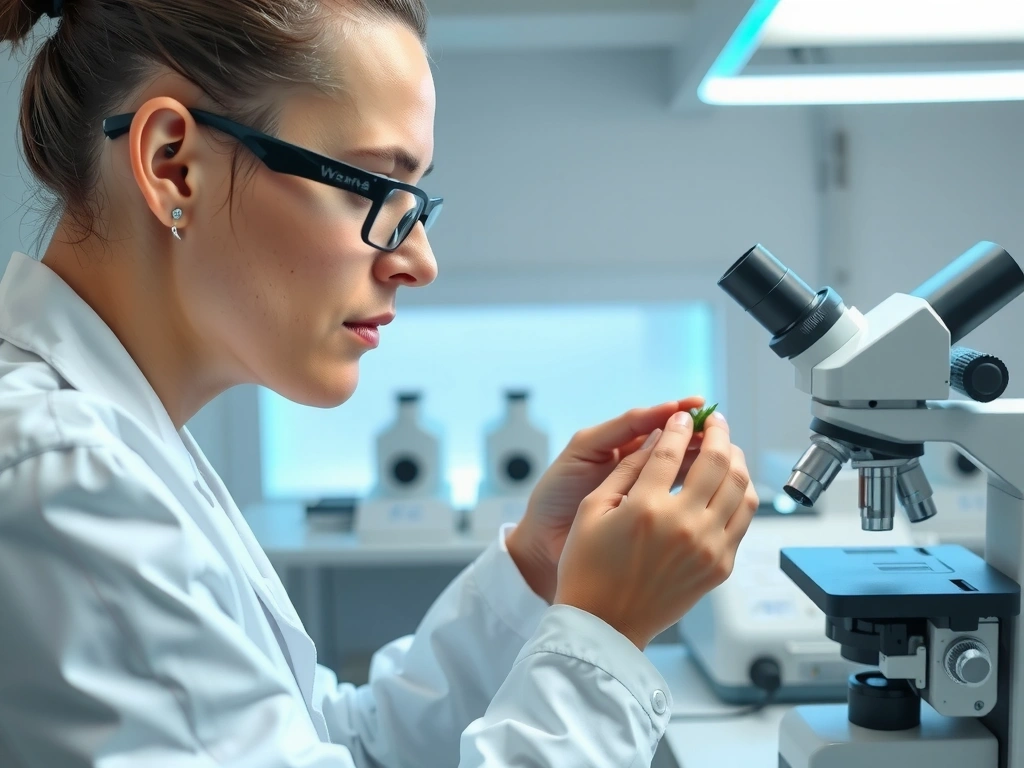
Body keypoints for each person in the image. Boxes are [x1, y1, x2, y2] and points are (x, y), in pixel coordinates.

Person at [0, 0, 759, 765]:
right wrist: (603, 635)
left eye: (416, 199)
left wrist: (539, 566)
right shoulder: (62, 476)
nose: (419, 261)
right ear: (174, 165)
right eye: (371, 186)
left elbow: (333, 743)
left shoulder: (118, 449)